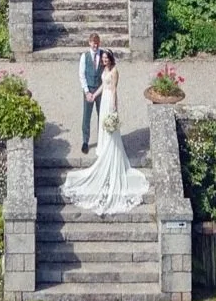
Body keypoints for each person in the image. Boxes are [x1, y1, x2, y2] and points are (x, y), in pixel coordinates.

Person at [62, 49, 150, 215]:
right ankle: (102, 146)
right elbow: (103, 85)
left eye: (105, 58)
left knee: (110, 128)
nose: (104, 61)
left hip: (110, 101)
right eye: (102, 59)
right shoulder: (104, 70)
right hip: (103, 101)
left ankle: (110, 148)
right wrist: (94, 94)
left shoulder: (115, 71)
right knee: (102, 126)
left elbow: (114, 88)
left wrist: (114, 107)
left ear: (110, 59)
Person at [78, 33, 103, 155]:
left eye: (97, 42)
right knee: (86, 116)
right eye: (93, 42)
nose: (95, 44)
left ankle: (101, 140)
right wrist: (87, 91)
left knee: (101, 115)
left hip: (100, 90)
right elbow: (82, 75)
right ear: (89, 42)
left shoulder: (103, 55)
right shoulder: (85, 56)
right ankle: (85, 141)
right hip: (89, 90)